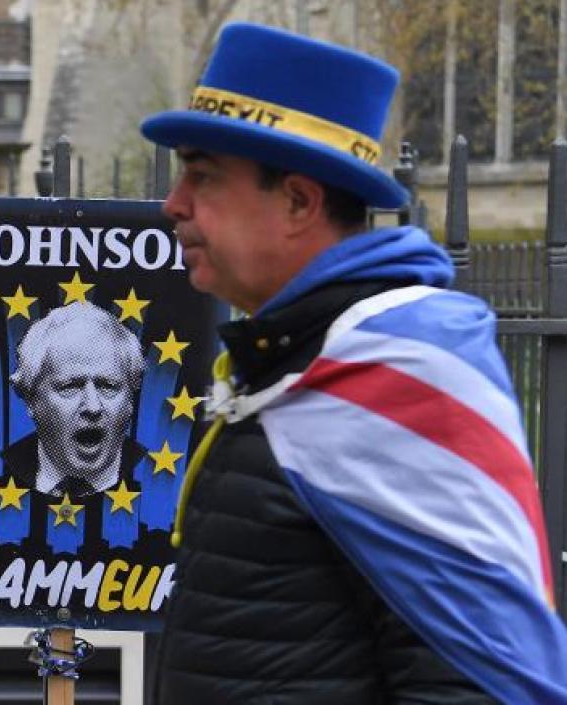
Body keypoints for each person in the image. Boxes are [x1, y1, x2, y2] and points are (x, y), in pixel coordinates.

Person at [140, 22, 567, 704]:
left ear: (299, 201)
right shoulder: (297, 357)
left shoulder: (392, 376)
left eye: (203, 175)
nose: (173, 204)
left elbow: (479, 683)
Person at [3, 302, 145, 498]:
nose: (93, 407)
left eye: (108, 386)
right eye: (70, 387)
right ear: (30, 399)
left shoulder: (155, 474)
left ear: (130, 401)